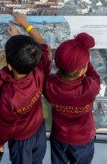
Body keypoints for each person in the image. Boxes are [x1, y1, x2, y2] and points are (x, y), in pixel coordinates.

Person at [0, 13, 51, 164]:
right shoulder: (40, 71)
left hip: (21, 140)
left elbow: (6, 126)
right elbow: (43, 44)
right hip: (39, 129)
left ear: (9, 65)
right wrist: (26, 25)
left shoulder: (9, 95)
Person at [43, 33, 101, 164]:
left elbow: (45, 73)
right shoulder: (90, 88)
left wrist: (48, 60)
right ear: (82, 71)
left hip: (59, 136)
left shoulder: (49, 85)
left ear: (57, 64)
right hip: (83, 138)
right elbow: (94, 75)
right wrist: (84, 55)